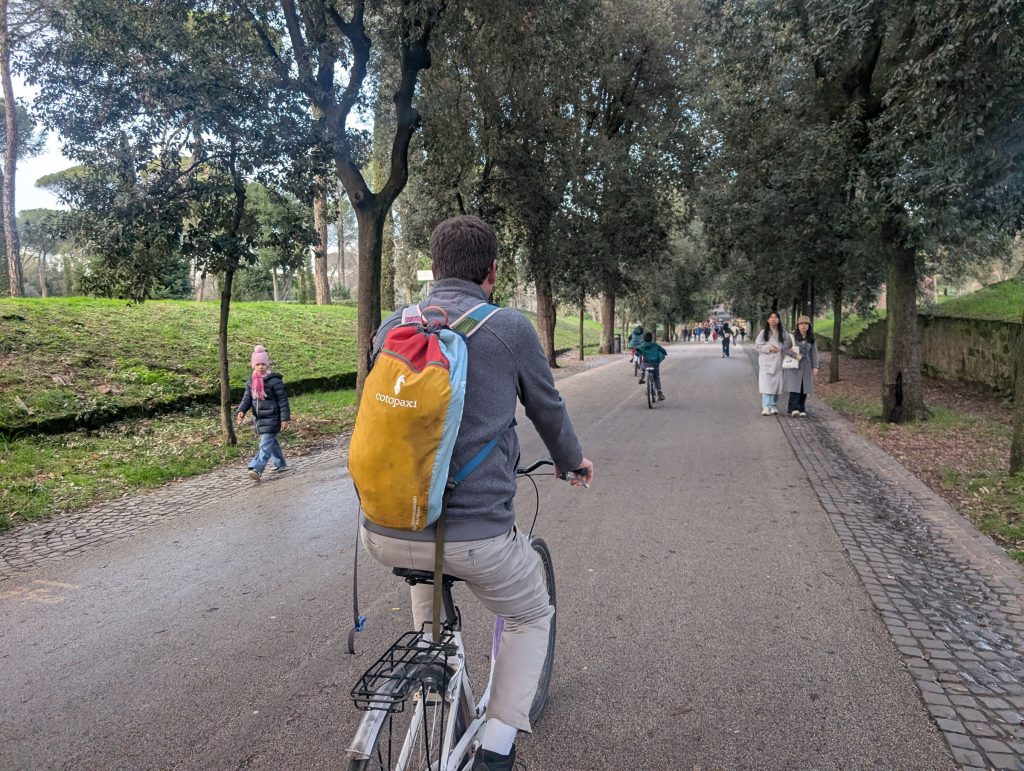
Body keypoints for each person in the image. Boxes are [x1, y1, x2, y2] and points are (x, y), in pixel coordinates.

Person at [359, 215, 595, 771]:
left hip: (384, 529)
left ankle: (432, 672)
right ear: (492, 271)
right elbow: (547, 408)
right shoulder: (508, 329)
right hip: (478, 538)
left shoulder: (392, 325)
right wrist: (571, 462)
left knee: (428, 566)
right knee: (532, 613)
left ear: (434, 268)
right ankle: (496, 750)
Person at [236, 345, 290, 481]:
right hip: (259, 420)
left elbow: (283, 401)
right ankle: (280, 463)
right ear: (253, 366)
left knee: (265, 445)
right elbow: (247, 398)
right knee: (271, 443)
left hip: (273, 418)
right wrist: (241, 410)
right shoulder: (251, 383)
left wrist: (284, 419)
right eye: (258, 364)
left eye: (263, 364)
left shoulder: (275, 382)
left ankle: (256, 468)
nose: (261, 367)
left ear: (267, 365)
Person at [754, 311, 793, 416]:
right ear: (768, 320)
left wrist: (781, 349)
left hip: (778, 362)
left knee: (776, 384)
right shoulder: (763, 332)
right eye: (771, 317)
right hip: (766, 362)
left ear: (779, 320)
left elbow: (788, 345)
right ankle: (766, 406)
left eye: (776, 317)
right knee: (766, 384)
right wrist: (769, 348)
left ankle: (773, 405)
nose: (773, 319)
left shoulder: (783, 332)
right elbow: (757, 346)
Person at [784, 315, 820, 417]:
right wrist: (795, 355)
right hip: (795, 364)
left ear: (809, 326)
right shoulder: (791, 336)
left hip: (807, 365)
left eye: (806, 324)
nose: (803, 326)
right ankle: (793, 408)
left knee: (805, 387)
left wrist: (815, 366)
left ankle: (801, 407)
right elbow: (785, 349)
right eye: (801, 324)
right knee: (795, 386)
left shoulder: (811, 338)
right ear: (798, 325)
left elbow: (814, 353)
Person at [636, 331, 668, 401]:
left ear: (644, 339)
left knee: (642, 366)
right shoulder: (655, 345)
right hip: (655, 364)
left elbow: (637, 352)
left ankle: (641, 377)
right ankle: (659, 392)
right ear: (651, 338)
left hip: (646, 364)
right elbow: (664, 351)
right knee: (656, 377)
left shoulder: (643, 345)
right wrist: (663, 354)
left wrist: (638, 354)